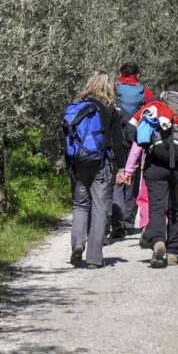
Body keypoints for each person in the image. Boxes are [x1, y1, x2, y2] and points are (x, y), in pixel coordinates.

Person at [120, 80, 178, 268]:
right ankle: (173, 252)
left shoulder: (153, 107)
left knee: (157, 206)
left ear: (164, 92)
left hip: (155, 164)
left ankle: (158, 241)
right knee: (177, 208)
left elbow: (132, 132)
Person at [62, 71, 126, 269]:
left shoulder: (76, 107)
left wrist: (68, 162)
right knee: (99, 208)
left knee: (80, 205)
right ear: (109, 87)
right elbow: (118, 142)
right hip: (102, 164)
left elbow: (65, 138)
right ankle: (94, 258)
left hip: (78, 163)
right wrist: (122, 167)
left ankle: (78, 243)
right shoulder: (110, 110)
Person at [111, 62, 151, 238]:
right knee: (132, 181)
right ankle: (128, 222)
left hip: (115, 140)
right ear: (138, 75)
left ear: (120, 73)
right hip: (136, 141)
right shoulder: (144, 92)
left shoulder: (113, 89)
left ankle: (116, 222)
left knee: (117, 179)